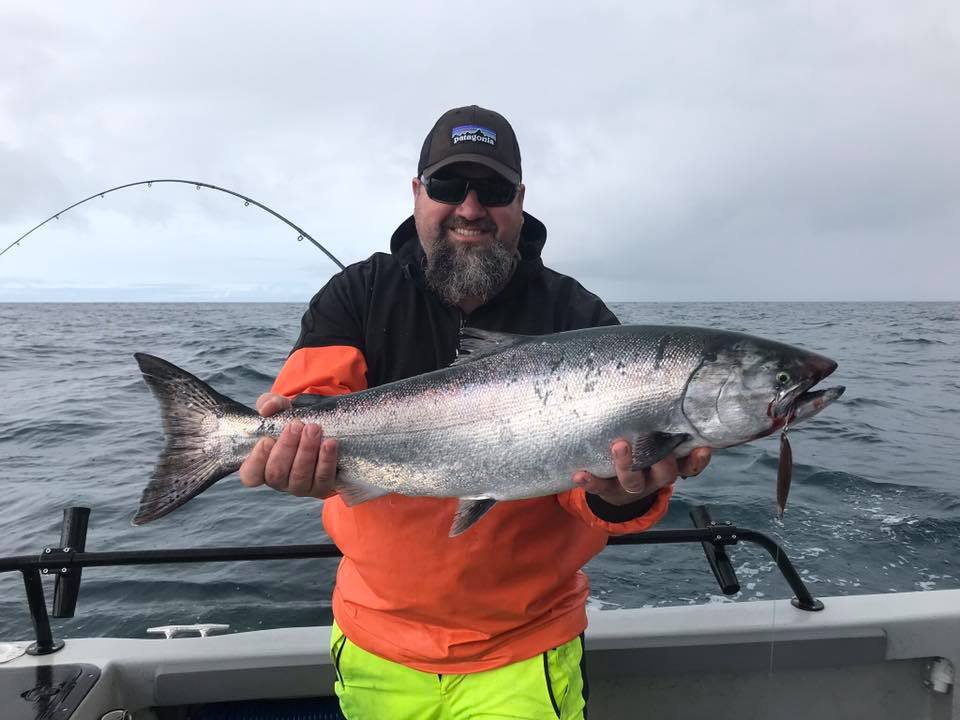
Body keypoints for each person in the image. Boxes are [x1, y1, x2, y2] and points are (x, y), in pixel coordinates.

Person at [238, 105, 711, 719]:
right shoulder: (357, 293)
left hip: (524, 645)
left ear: (520, 200)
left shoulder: (579, 319)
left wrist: (619, 497)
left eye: (491, 189)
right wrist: (284, 454)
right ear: (417, 193)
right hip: (373, 635)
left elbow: (593, 489)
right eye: (447, 186)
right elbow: (311, 403)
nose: (469, 207)